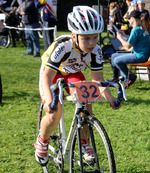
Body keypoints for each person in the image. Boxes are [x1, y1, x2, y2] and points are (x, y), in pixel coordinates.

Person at [34, 5, 121, 166]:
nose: (92, 43)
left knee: (86, 101)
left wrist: (110, 98)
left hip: (72, 73)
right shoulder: (63, 46)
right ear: (74, 35)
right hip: (52, 73)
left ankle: (84, 142)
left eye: (95, 37)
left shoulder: (96, 51)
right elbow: (47, 76)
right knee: (54, 113)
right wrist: (48, 100)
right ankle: (42, 140)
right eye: (86, 38)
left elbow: (97, 80)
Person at [109, 10, 150, 88]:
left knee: (117, 60)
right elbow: (134, 43)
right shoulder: (142, 28)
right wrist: (124, 35)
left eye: (129, 18)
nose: (128, 20)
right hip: (141, 54)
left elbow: (128, 46)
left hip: (140, 56)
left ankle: (128, 77)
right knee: (114, 56)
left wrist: (119, 38)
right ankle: (116, 78)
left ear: (133, 19)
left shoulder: (136, 30)